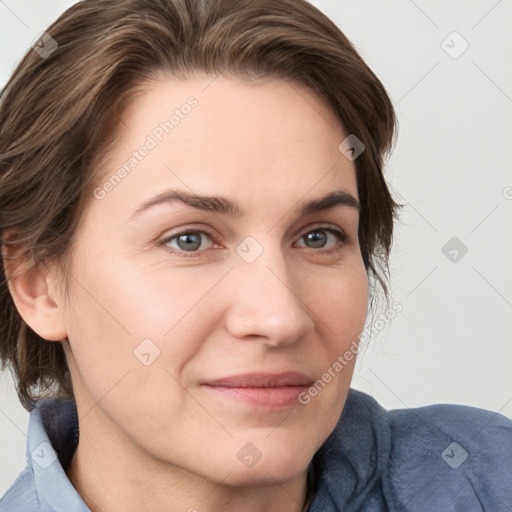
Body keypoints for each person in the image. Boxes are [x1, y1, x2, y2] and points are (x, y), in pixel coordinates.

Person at [0, 0, 510, 511]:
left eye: (318, 237)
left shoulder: (484, 478)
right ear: (37, 282)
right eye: (189, 240)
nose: (280, 317)